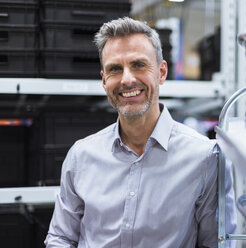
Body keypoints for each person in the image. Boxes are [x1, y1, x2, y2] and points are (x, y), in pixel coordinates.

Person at [45, 17, 236, 247]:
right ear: (104, 80)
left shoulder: (205, 158)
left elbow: (216, 244)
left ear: (162, 72)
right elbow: (61, 238)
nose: (127, 79)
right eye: (115, 69)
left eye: (138, 65)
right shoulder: (81, 156)